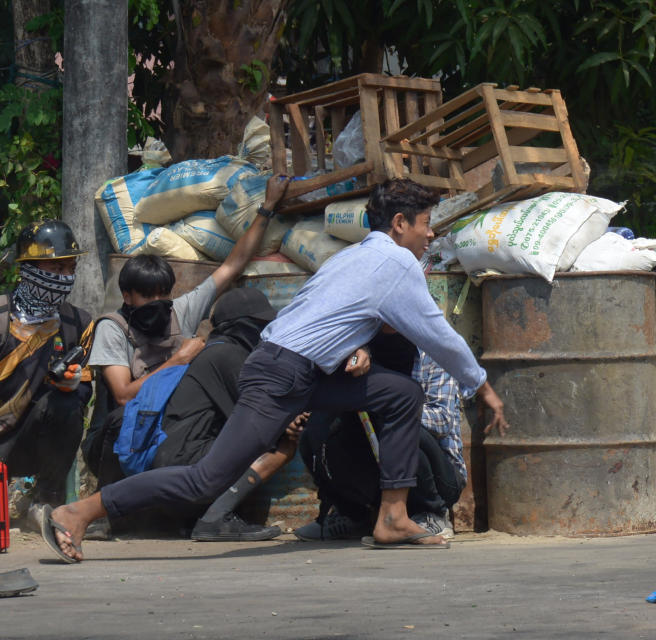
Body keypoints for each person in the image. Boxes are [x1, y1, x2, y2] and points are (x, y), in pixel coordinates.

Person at [42, 178, 508, 562]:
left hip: (298, 372)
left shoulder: (351, 257)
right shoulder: (395, 262)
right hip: (281, 375)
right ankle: (79, 512)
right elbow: (435, 331)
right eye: (426, 224)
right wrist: (482, 386)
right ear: (400, 223)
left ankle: (391, 515)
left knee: (399, 394)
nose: (430, 235)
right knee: (206, 478)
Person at [82, 174, 293, 491]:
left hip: (171, 424)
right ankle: (109, 506)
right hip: (125, 433)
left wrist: (267, 209)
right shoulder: (112, 328)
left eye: (163, 294)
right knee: (119, 419)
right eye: (147, 296)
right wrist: (177, 360)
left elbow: (231, 266)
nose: (157, 303)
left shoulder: (180, 310)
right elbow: (123, 394)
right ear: (128, 297)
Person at [152, 287, 305, 541]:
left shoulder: (216, 350)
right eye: (260, 325)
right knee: (280, 448)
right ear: (242, 326)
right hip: (185, 459)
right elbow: (263, 416)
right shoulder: (228, 355)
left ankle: (202, 517)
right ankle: (216, 518)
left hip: (174, 461)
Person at [294, 344, 465, 542]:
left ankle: (432, 513)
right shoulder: (359, 351)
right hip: (381, 470)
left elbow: (443, 419)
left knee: (398, 425)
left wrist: (394, 410)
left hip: (440, 477)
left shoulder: (434, 351)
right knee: (316, 430)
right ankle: (352, 515)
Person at [0, 220, 92, 514]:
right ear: (28, 271)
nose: (64, 278)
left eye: (70, 270)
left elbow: (85, 391)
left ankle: (45, 500)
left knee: (67, 405)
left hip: (34, 438)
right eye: (55, 270)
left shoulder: (78, 323)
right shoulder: (3, 318)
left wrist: (74, 385)